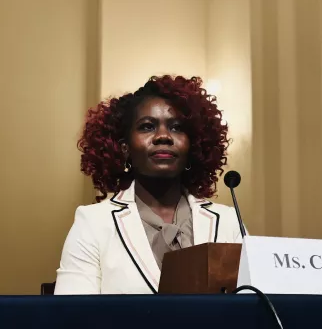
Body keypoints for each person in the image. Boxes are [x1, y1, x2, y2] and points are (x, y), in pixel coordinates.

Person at [54, 75, 244, 295]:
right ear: (124, 148)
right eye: (147, 127)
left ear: (193, 147)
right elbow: (72, 318)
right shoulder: (93, 224)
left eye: (176, 127)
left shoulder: (229, 222)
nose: (163, 136)